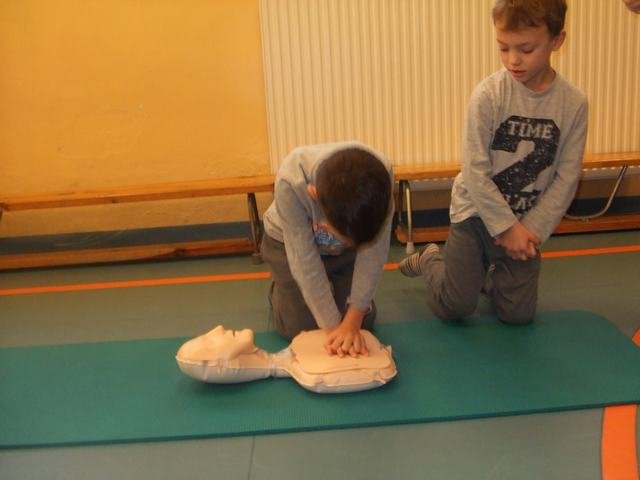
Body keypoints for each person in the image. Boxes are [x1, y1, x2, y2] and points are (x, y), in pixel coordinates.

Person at [399, 0, 588, 324]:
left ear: (557, 40)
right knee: (456, 306)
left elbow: (567, 178)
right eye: (503, 47)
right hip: (474, 214)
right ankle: (430, 259)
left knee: (518, 316)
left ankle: (485, 275)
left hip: (525, 222)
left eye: (526, 49)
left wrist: (529, 230)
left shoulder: (574, 103)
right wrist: (506, 227)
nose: (513, 59)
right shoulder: (488, 95)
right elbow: (474, 170)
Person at [261, 142, 393, 357]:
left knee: (363, 322)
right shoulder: (291, 180)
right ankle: (281, 291)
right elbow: (304, 262)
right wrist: (334, 330)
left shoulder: (381, 176)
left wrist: (353, 320)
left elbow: (374, 253)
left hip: (344, 254)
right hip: (287, 245)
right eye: (344, 237)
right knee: (301, 327)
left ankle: (334, 283)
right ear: (314, 195)